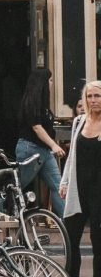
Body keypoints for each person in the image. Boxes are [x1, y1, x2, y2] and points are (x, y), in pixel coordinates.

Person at [62, 80, 101, 277]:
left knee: (98, 241)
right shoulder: (79, 122)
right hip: (79, 189)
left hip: (98, 191)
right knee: (70, 239)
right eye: (89, 96)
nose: (93, 100)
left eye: (97, 96)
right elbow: (72, 156)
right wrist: (64, 182)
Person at [15, 68, 66, 215]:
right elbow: (37, 127)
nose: (51, 84)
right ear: (42, 83)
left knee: (58, 185)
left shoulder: (43, 105)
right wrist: (54, 145)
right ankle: (1, 214)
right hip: (31, 148)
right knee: (18, 186)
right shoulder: (31, 103)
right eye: (50, 81)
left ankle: (67, 224)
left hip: (43, 150)